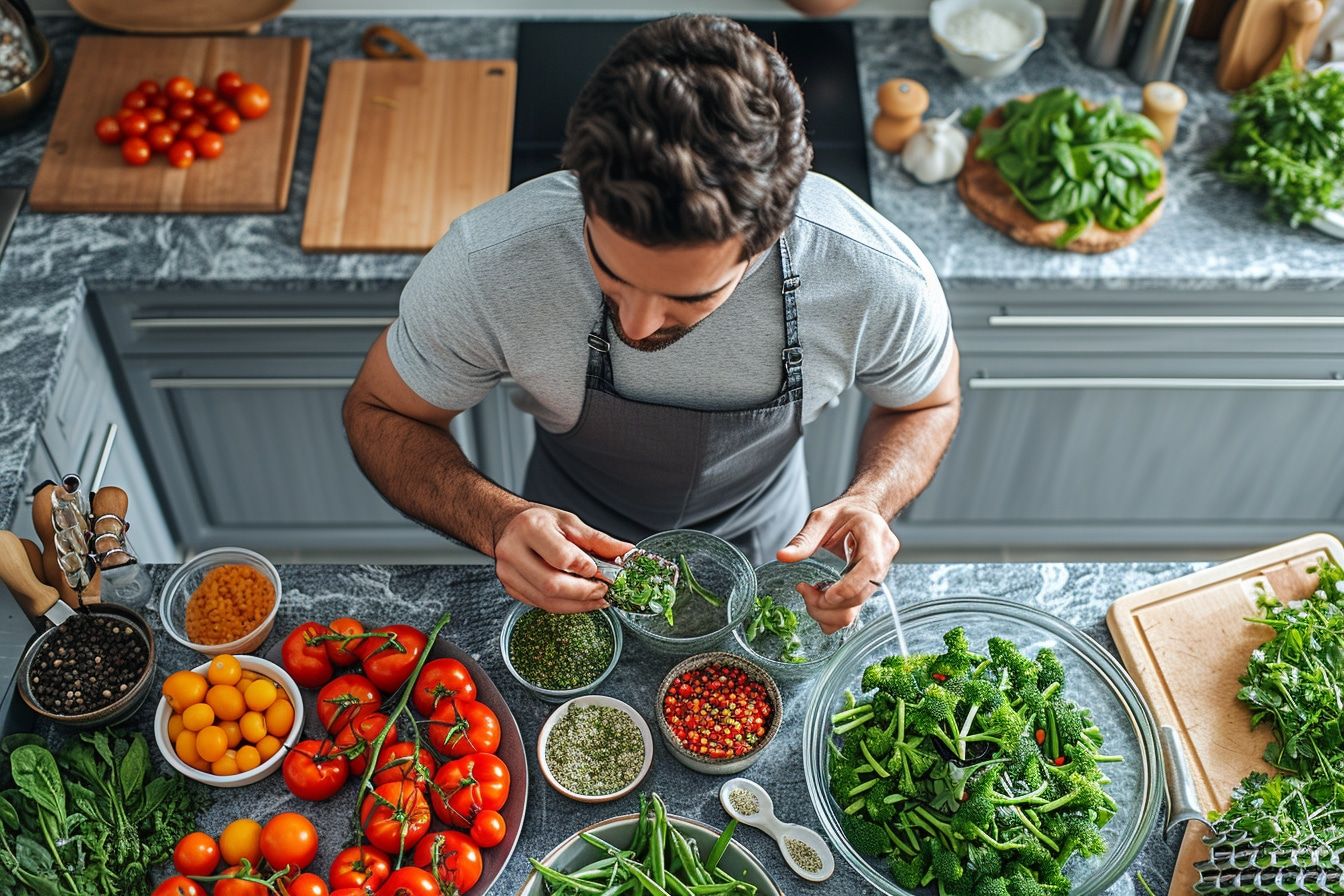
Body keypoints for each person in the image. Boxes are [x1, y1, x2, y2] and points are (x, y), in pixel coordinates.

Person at [344, 15, 960, 633]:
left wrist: (870, 501)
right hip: (566, 556)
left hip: (771, 547)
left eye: (686, 297)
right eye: (609, 273)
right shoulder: (491, 261)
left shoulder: (875, 276)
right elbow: (380, 411)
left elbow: (926, 405)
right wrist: (497, 521)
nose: (636, 328)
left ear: (772, 234)